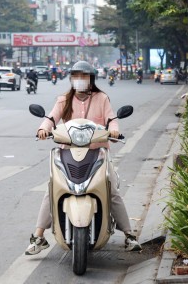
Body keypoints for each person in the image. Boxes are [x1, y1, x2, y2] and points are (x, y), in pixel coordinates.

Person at [25, 60, 142, 255]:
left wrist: (114, 131)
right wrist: (43, 129)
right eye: (76, 76)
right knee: (53, 188)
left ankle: (129, 235)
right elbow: (51, 118)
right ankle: (39, 236)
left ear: (91, 79)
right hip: (68, 152)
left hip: (97, 152)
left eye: (84, 76)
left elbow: (111, 119)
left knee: (111, 189)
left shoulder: (101, 98)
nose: (80, 80)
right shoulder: (63, 100)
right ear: (71, 79)